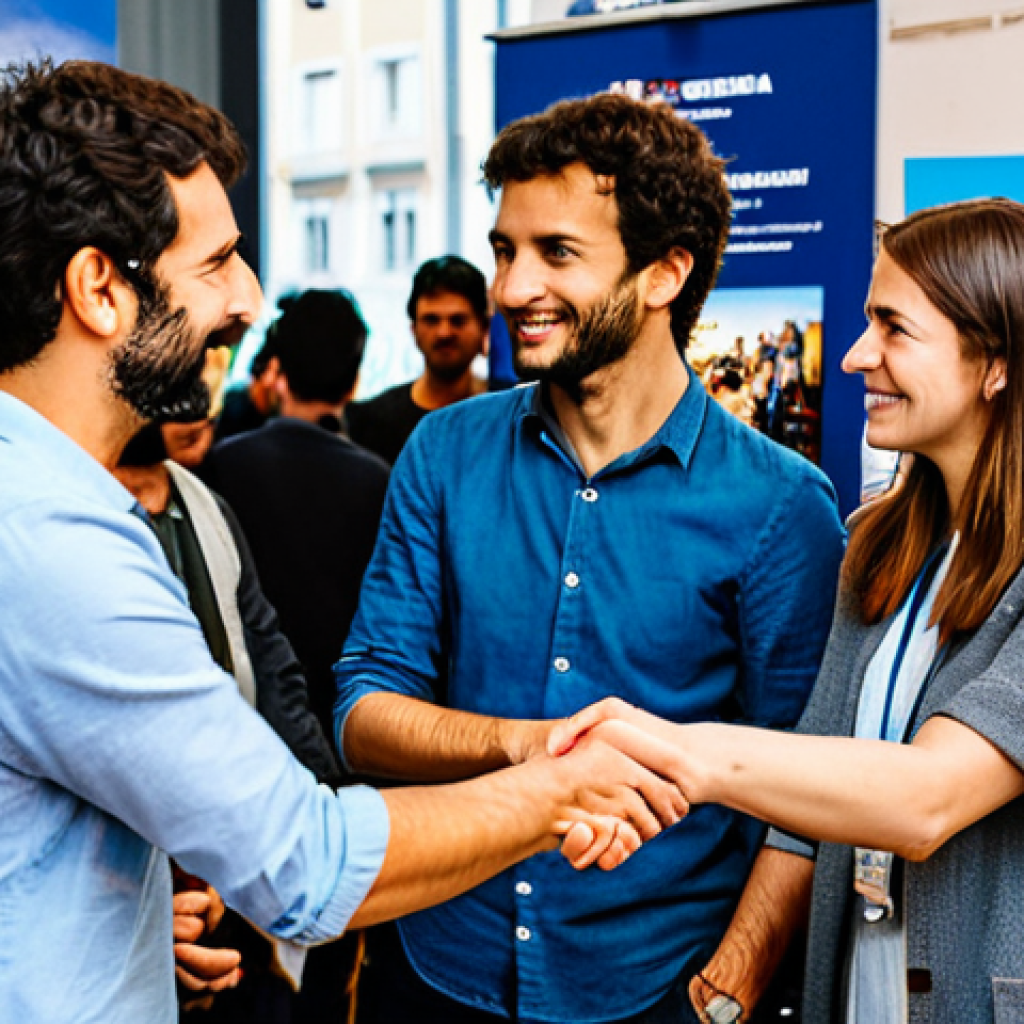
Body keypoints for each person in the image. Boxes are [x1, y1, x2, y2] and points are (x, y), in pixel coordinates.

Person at [0, 61, 686, 1024]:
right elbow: (305, 865)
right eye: (215, 263)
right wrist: (560, 787)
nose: (246, 299)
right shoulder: (52, 543)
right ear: (98, 289)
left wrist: (117, 913)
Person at [335, 93, 845, 1024]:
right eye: (503, 249)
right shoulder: (442, 454)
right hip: (440, 961)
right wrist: (530, 750)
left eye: (555, 253)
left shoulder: (779, 506)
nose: (510, 287)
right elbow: (363, 708)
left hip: (654, 987)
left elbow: (805, 798)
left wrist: (723, 995)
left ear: (664, 272)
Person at [551, 197, 1024, 1024]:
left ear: (997, 362)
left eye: (893, 329)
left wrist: (677, 752)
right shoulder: (878, 544)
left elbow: (925, 799)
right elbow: (815, 780)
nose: (852, 358)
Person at [203, 288, 390, 745]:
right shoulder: (378, 481)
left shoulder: (222, 467)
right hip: (346, 723)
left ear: (279, 372)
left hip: (245, 718)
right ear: (353, 382)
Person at [347, 255, 488, 464]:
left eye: (457, 320)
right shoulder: (371, 421)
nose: (444, 332)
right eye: (431, 320)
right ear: (413, 331)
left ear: (484, 328)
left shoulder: (514, 413)